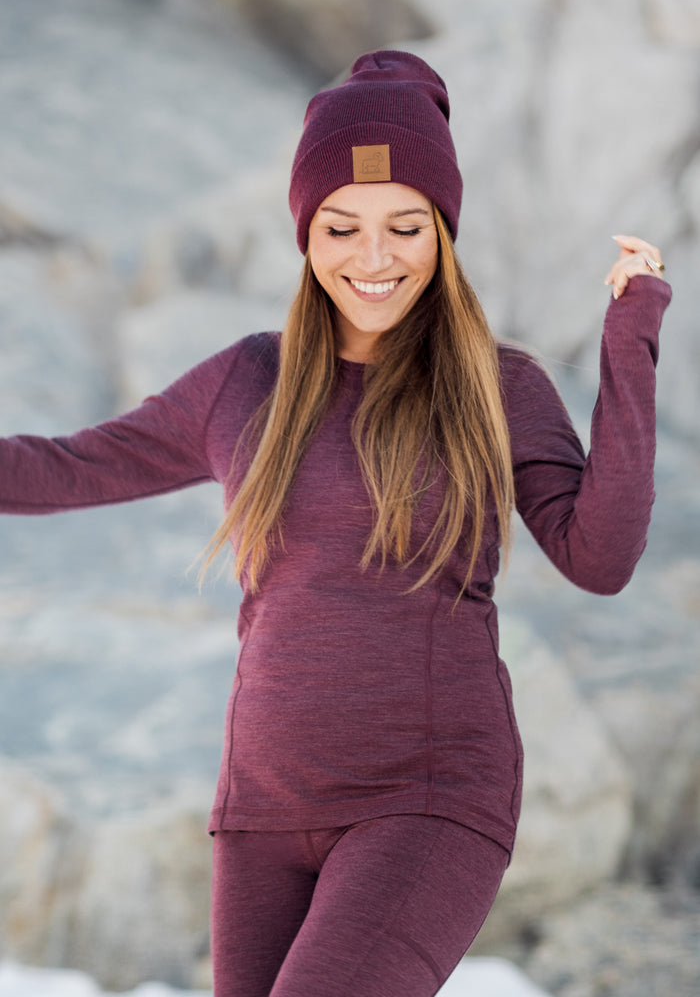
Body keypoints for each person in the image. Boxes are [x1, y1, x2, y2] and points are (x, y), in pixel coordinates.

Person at [0, 50, 670, 997]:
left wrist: (629, 343)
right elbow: (68, 467)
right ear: (305, 231)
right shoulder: (246, 383)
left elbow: (599, 556)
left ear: (443, 231)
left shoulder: (498, 384)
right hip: (263, 812)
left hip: (428, 801)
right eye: (341, 226)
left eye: (406, 227)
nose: (373, 257)